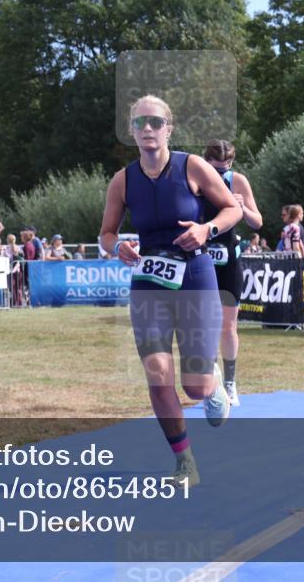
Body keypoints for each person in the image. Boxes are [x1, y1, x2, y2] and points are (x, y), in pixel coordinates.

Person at [99, 95, 241, 487]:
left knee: (193, 385)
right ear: (131, 130)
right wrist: (117, 247)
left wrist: (205, 229)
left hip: (195, 275)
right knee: (158, 374)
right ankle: (185, 462)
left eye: (155, 122)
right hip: (149, 282)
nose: (148, 128)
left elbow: (232, 209)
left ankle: (210, 382)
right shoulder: (123, 180)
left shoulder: (191, 166)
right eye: (140, 122)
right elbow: (106, 233)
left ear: (169, 128)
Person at [203, 138, 263, 407]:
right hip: (200, 261)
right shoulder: (194, 179)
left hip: (228, 261)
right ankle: (210, 382)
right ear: (206, 162)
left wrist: (243, 207)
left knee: (228, 326)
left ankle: (229, 382)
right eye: (216, 168)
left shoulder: (237, 180)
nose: (221, 173)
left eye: (226, 167)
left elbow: (257, 222)